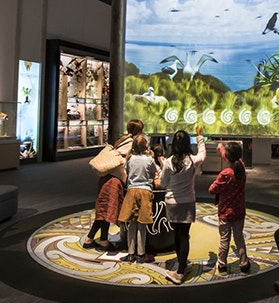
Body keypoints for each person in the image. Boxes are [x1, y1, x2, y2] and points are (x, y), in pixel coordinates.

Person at [83, 119, 143, 249]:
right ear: (139, 130)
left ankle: (90, 239)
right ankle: (101, 240)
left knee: (103, 210)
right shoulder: (131, 144)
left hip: (106, 178)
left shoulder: (121, 141)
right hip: (114, 180)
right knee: (107, 211)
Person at [158, 125, 206, 285]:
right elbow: (203, 154)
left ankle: (181, 268)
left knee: (177, 235)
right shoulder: (192, 161)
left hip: (171, 203)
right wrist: (199, 136)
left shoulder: (169, 162)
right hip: (187, 203)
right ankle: (181, 269)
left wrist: (162, 166)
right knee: (184, 236)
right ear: (187, 144)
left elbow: (163, 183)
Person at [208, 141, 250, 274]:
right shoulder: (241, 168)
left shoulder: (225, 174)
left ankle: (222, 264)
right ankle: (244, 263)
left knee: (224, 239)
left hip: (225, 212)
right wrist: (221, 148)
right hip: (239, 211)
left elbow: (212, 190)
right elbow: (230, 157)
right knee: (239, 238)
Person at [117, 133, 157, 262]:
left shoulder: (130, 159)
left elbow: (127, 173)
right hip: (145, 192)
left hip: (131, 191)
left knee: (132, 224)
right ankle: (141, 253)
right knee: (142, 224)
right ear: (146, 146)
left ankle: (130, 253)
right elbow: (154, 173)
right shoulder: (149, 160)